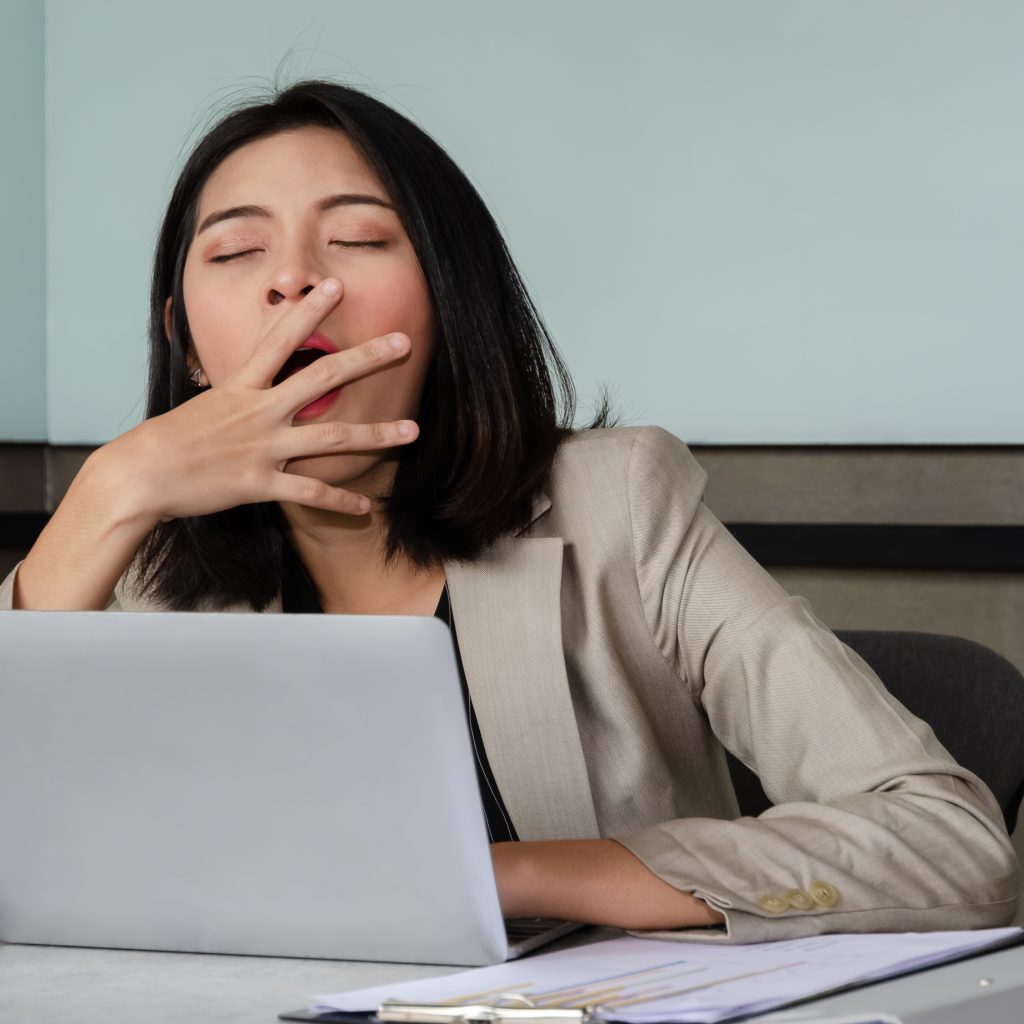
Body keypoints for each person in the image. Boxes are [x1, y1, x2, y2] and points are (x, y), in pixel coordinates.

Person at [1, 80, 1017, 943]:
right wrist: (108, 490)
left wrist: (511, 875)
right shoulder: (135, 567)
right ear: (185, 343)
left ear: (448, 301)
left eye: (358, 238)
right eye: (234, 254)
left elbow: (954, 845)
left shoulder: (621, 501)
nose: (295, 281)